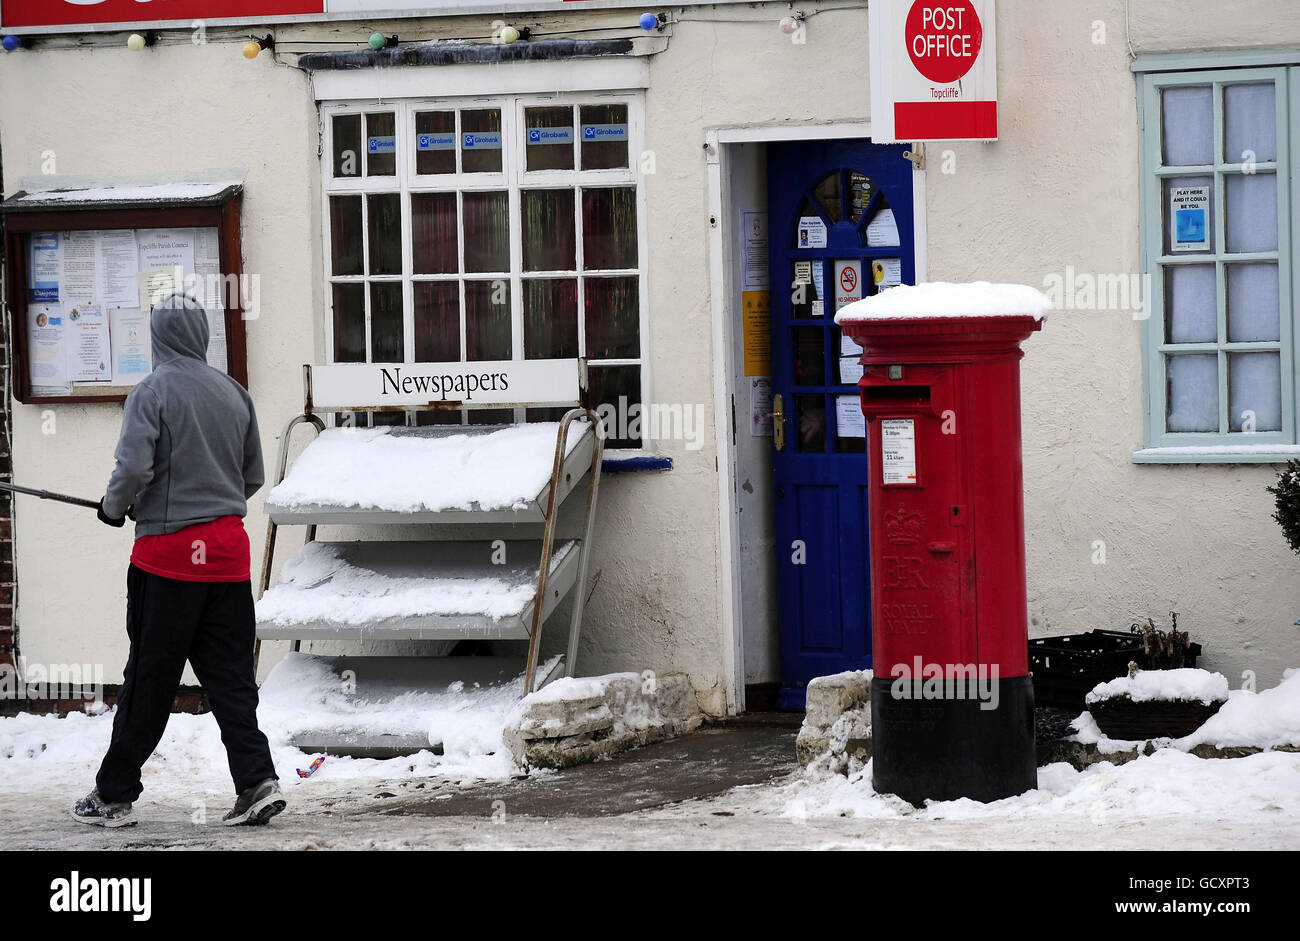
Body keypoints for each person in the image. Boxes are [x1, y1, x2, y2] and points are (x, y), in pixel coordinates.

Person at [72, 293, 284, 828]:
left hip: (169, 559)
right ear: (201, 335)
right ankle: (257, 781)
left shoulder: (153, 391)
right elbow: (252, 475)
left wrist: (115, 508)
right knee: (232, 678)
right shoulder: (235, 394)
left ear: (158, 337)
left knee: (150, 678)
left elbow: (133, 467)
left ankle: (113, 795)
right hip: (229, 557)